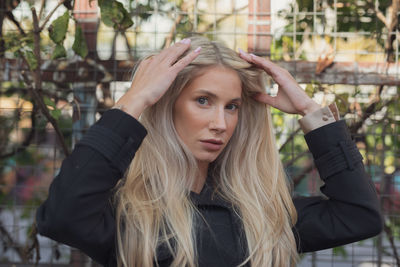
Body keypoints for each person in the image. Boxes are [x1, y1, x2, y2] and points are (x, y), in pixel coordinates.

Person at [36, 36, 383, 267]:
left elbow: (360, 216)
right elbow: (62, 217)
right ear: (166, 104)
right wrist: (134, 100)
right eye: (203, 101)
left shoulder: (266, 215)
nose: (221, 122)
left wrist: (313, 113)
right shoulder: (130, 214)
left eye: (232, 106)